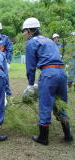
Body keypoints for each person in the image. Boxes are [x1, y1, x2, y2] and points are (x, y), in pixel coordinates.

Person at [22, 17, 73, 145]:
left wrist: (30, 83)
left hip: (49, 74)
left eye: (24, 31)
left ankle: (43, 138)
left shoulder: (31, 42)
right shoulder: (49, 41)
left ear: (29, 31)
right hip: (61, 73)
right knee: (60, 103)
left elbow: (30, 66)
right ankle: (68, 135)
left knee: (45, 103)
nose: (23, 34)